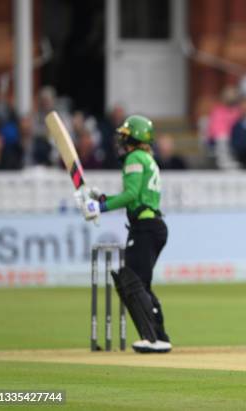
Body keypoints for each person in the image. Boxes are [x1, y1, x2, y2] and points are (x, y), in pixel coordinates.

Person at [75, 115, 171, 353]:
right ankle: (159, 336)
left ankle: (152, 339)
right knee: (139, 283)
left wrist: (100, 207)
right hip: (151, 225)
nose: (121, 141)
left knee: (132, 280)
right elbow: (135, 196)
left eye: (125, 136)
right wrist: (102, 198)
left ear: (134, 137)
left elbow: (130, 195)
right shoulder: (146, 157)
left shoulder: (134, 157)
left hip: (145, 227)